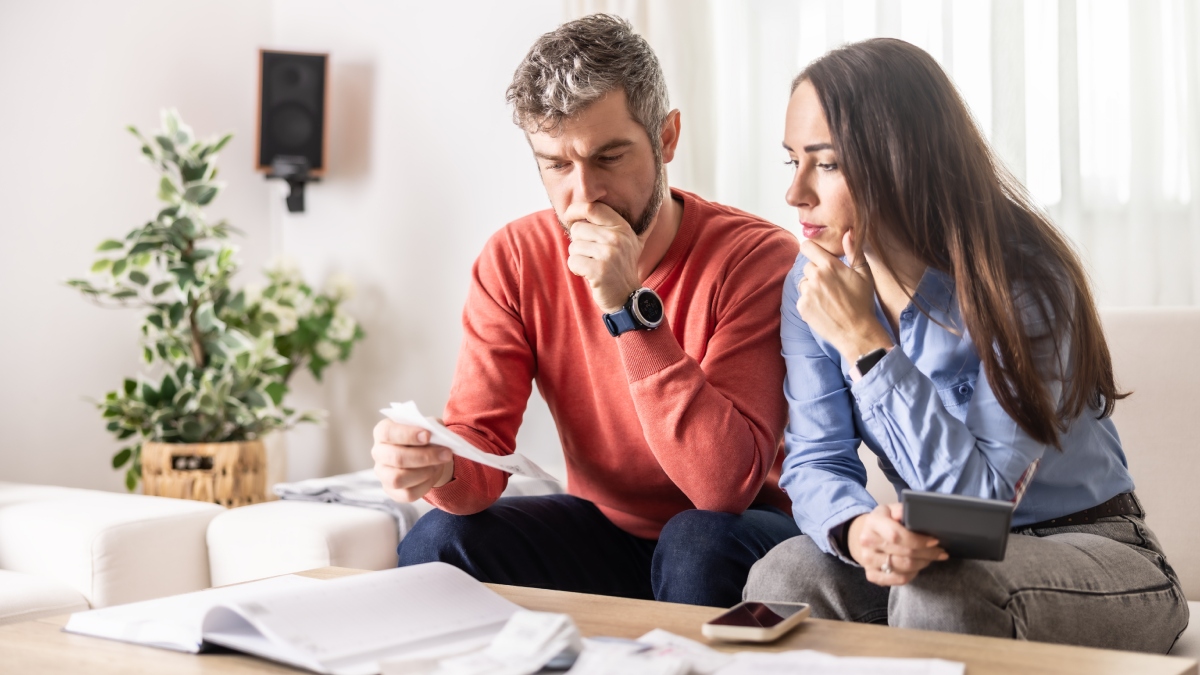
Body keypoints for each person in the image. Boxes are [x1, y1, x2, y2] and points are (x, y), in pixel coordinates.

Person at [744, 38, 1189, 652]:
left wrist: (869, 347)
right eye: (790, 160)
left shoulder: (1025, 280)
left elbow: (979, 505)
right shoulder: (812, 282)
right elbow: (816, 460)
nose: (795, 194)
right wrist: (856, 530)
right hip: (939, 550)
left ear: (897, 160)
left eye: (826, 163)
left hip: (1095, 552)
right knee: (783, 574)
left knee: (946, 591)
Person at [369, 14, 800, 608]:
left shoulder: (756, 258)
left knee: (695, 541)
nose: (583, 194)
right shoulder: (515, 259)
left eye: (609, 157)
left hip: (741, 531)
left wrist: (628, 309)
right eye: (556, 165)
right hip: (605, 531)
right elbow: (483, 453)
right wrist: (440, 466)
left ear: (668, 137)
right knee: (439, 541)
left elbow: (722, 487)